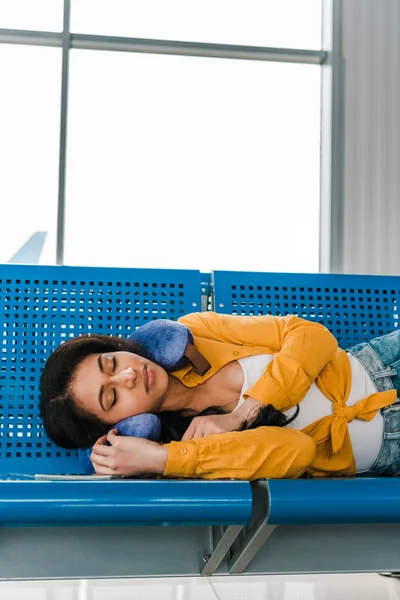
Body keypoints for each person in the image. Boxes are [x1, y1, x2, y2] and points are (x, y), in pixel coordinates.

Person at [39, 312, 400, 481]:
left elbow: (311, 335)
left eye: (111, 362)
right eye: (111, 397)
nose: (128, 375)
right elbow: (297, 450)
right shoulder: (191, 451)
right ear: (124, 428)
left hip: (382, 361)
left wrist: (245, 412)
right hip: (389, 447)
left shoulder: (196, 331)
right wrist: (167, 459)